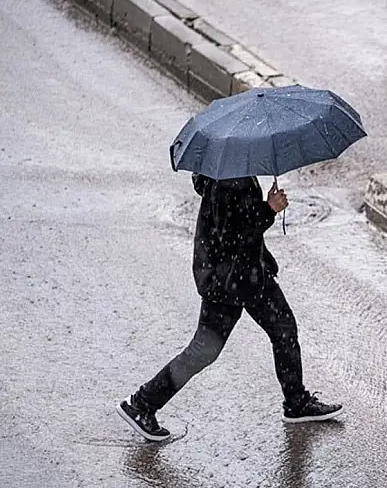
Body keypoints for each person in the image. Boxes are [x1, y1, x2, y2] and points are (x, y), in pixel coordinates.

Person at [117, 174, 342, 442]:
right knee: (203, 351)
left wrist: (263, 209)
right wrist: (268, 209)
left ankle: (296, 402)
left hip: (250, 274)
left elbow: (239, 227)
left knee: (284, 329)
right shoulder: (227, 181)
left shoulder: (233, 172)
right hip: (227, 281)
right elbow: (233, 238)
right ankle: (142, 404)